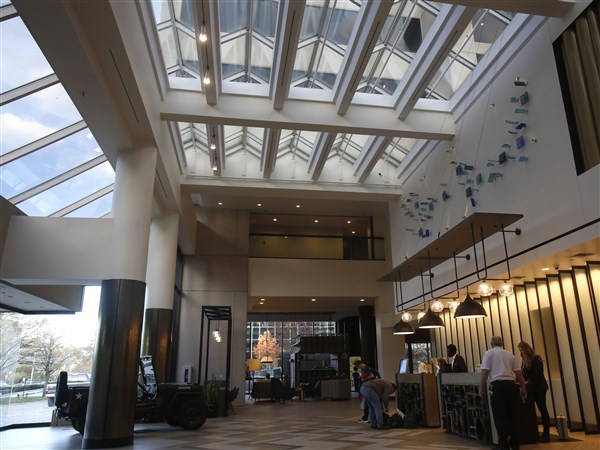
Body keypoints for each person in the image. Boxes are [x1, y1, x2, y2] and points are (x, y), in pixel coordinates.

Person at [480, 336, 527, 450]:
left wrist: (481, 387)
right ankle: (515, 443)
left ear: (491, 344)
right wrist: (523, 388)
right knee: (512, 415)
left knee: (499, 416)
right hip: (511, 386)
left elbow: (485, 371)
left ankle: (503, 444)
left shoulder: (489, 354)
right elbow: (518, 373)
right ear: (502, 343)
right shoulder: (510, 354)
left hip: (498, 387)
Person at [518, 341, 550, 442]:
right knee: (531, 410)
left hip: (539, 388)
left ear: (526, 349)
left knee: (542, 409)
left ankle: (546, 433)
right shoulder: (524, 361)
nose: (521, 352)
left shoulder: (536, 359)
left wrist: (528, 381)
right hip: (531, 388)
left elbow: (538, 373)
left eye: (522, 350)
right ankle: (532, 433)